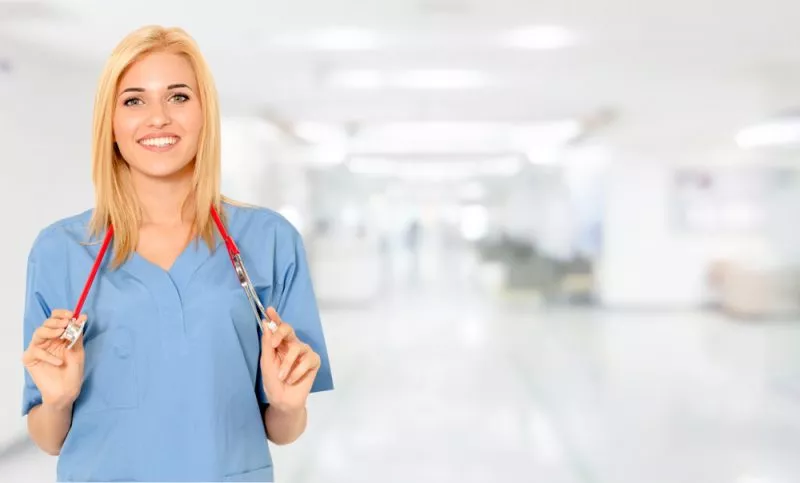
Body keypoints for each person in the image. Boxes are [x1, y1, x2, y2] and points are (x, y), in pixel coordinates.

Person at [20, 25, 334, 482]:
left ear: (205, 113)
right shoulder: (60, 251)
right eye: (134, 100)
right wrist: (58, 399)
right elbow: (48, 438)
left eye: (179, 96)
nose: (158, 118)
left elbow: (283, 430)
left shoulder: (270, 241)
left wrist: (288, 404)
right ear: (110, 123)